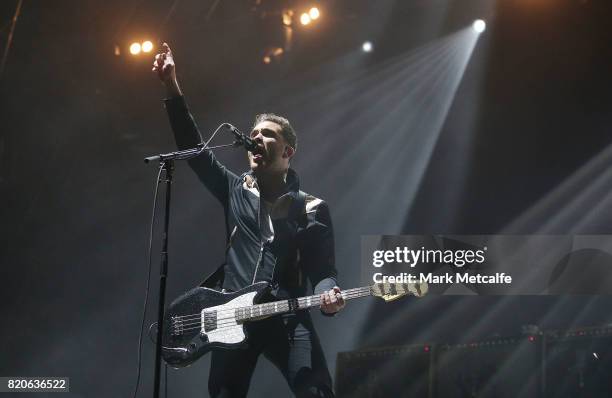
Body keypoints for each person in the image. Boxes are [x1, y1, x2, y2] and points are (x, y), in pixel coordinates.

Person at [153, 43, 344, 398]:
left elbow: (322, 271)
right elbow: (193, 147)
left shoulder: (312, 207)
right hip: (231, 315)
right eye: (254, 135)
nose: (256, 139)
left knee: (316, 390)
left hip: (286, 314)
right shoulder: (234, 188)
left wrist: (327, 295)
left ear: (288, 152)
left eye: (268, 135)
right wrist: (171, 86)